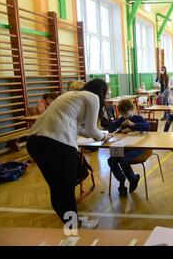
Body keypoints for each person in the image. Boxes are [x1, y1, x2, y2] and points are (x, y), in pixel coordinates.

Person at [26, 78, 110, 229]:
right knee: (65, 189)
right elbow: (91, 130)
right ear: (101, 91)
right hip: (57, 144)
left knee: (57, 187)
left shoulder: (70, 96)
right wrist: (104, 137)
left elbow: (78, 129)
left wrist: (97, 134)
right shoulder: (93, 97)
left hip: (34, 142)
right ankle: (73, 226)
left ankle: (71, 222)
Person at [107, 99, 149, 195]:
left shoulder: (138, 118)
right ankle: (121, 181)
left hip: (137, 147)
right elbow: (110, 128)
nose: (124, 114)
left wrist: (132, 124)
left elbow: (147, 126)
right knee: (111, 160)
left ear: (131, 109)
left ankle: (133, 179)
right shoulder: (122, 120)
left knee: (123, 160)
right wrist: (121, 130)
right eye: (122, 112)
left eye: (126, 112)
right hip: (122, 147)